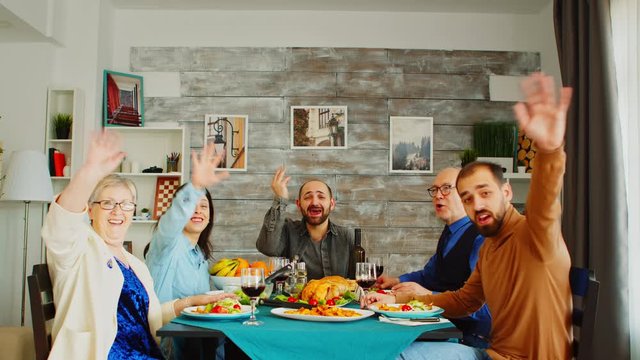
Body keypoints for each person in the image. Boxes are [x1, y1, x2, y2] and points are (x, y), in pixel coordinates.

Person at [363, 73, 574, 360]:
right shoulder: (489, 247)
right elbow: (463, 300)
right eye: (467, 198)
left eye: (485, 193)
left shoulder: (535, 234)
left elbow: (545, 203)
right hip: (492, 354)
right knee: (390, 351)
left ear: (507, 192)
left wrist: (549, 151)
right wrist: (396, 298)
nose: (477, 205)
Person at [42, 131, 235, 359]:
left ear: (133, 212)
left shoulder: (135, 264)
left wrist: (191, 302)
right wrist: (89, 172)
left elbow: (149, 317)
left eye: (126, 204)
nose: (117, 211)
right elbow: (62, 220)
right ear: (90, 210)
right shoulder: (78, 249)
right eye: (107, 203)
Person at [375, 167, 491, 349]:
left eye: (446, 188)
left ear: (466, 195)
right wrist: (396, 281)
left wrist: (427, 295)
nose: (438, 195)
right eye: (435, 190)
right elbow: (430, 275)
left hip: (475, 340)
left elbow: (486, 309)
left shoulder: (481, 238)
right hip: (448, 329)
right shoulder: (450, 232)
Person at [145, 141, 229, 359]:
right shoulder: (167, 243)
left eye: (204, 206)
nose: (198, 211)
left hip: (193, 341)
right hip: (166, 344)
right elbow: (171, 222)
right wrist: (196, 187)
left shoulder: (199, 254)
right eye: (192, 205)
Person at [256, 167, 354, 280]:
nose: (315, 202)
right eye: (308, 197)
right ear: (298, 204)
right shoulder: (287, 230)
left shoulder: (346, 236)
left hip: (337, 298)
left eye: (321, 197)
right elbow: (267, 248)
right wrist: (280, 199)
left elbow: (356, 281)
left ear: (331, 204)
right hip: (294, 297)